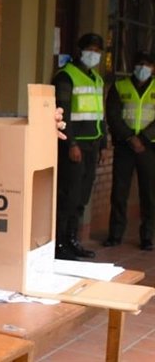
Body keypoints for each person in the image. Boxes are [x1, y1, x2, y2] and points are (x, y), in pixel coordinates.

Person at [52, 33, 107, 260]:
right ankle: (60, 243)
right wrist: (71, 143)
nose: (93, 54)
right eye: (90, 49)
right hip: (74, 147)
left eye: (97, 50)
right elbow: (62, 111)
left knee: (81, 198)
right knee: (68, 197)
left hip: (92, 144)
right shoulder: (66, 76)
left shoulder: (97, 79)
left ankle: (73, 240)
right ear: (81, 49)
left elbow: (99, 114)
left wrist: (103, 143)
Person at [104, 52, 155, 251]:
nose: (143, 68)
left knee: (149, 194)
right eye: (140, 64)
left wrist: (142, 138)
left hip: (149, 147)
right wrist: (130, 137)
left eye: (148, 65)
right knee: (119, 192)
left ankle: (147, 236)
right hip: (125, 146)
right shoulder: (119, 86)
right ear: (133, 66)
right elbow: (113, 115)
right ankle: (115, 234)